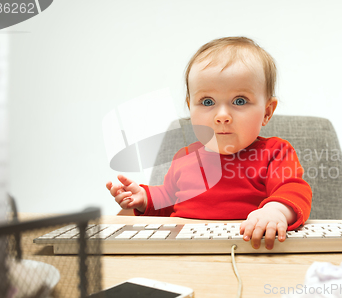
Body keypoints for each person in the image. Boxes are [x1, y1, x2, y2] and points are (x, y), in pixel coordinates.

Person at [106, 37, 312, 250]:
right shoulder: (185, 157)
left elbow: (293, 190)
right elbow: (168, 200)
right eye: (207, 102)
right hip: (183, 250)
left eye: (239, 101)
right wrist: (144, 198)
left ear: (267, 112)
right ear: (190, 107)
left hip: (247, 248)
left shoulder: (275, 153)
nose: (222, 116)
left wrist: (275, 211)